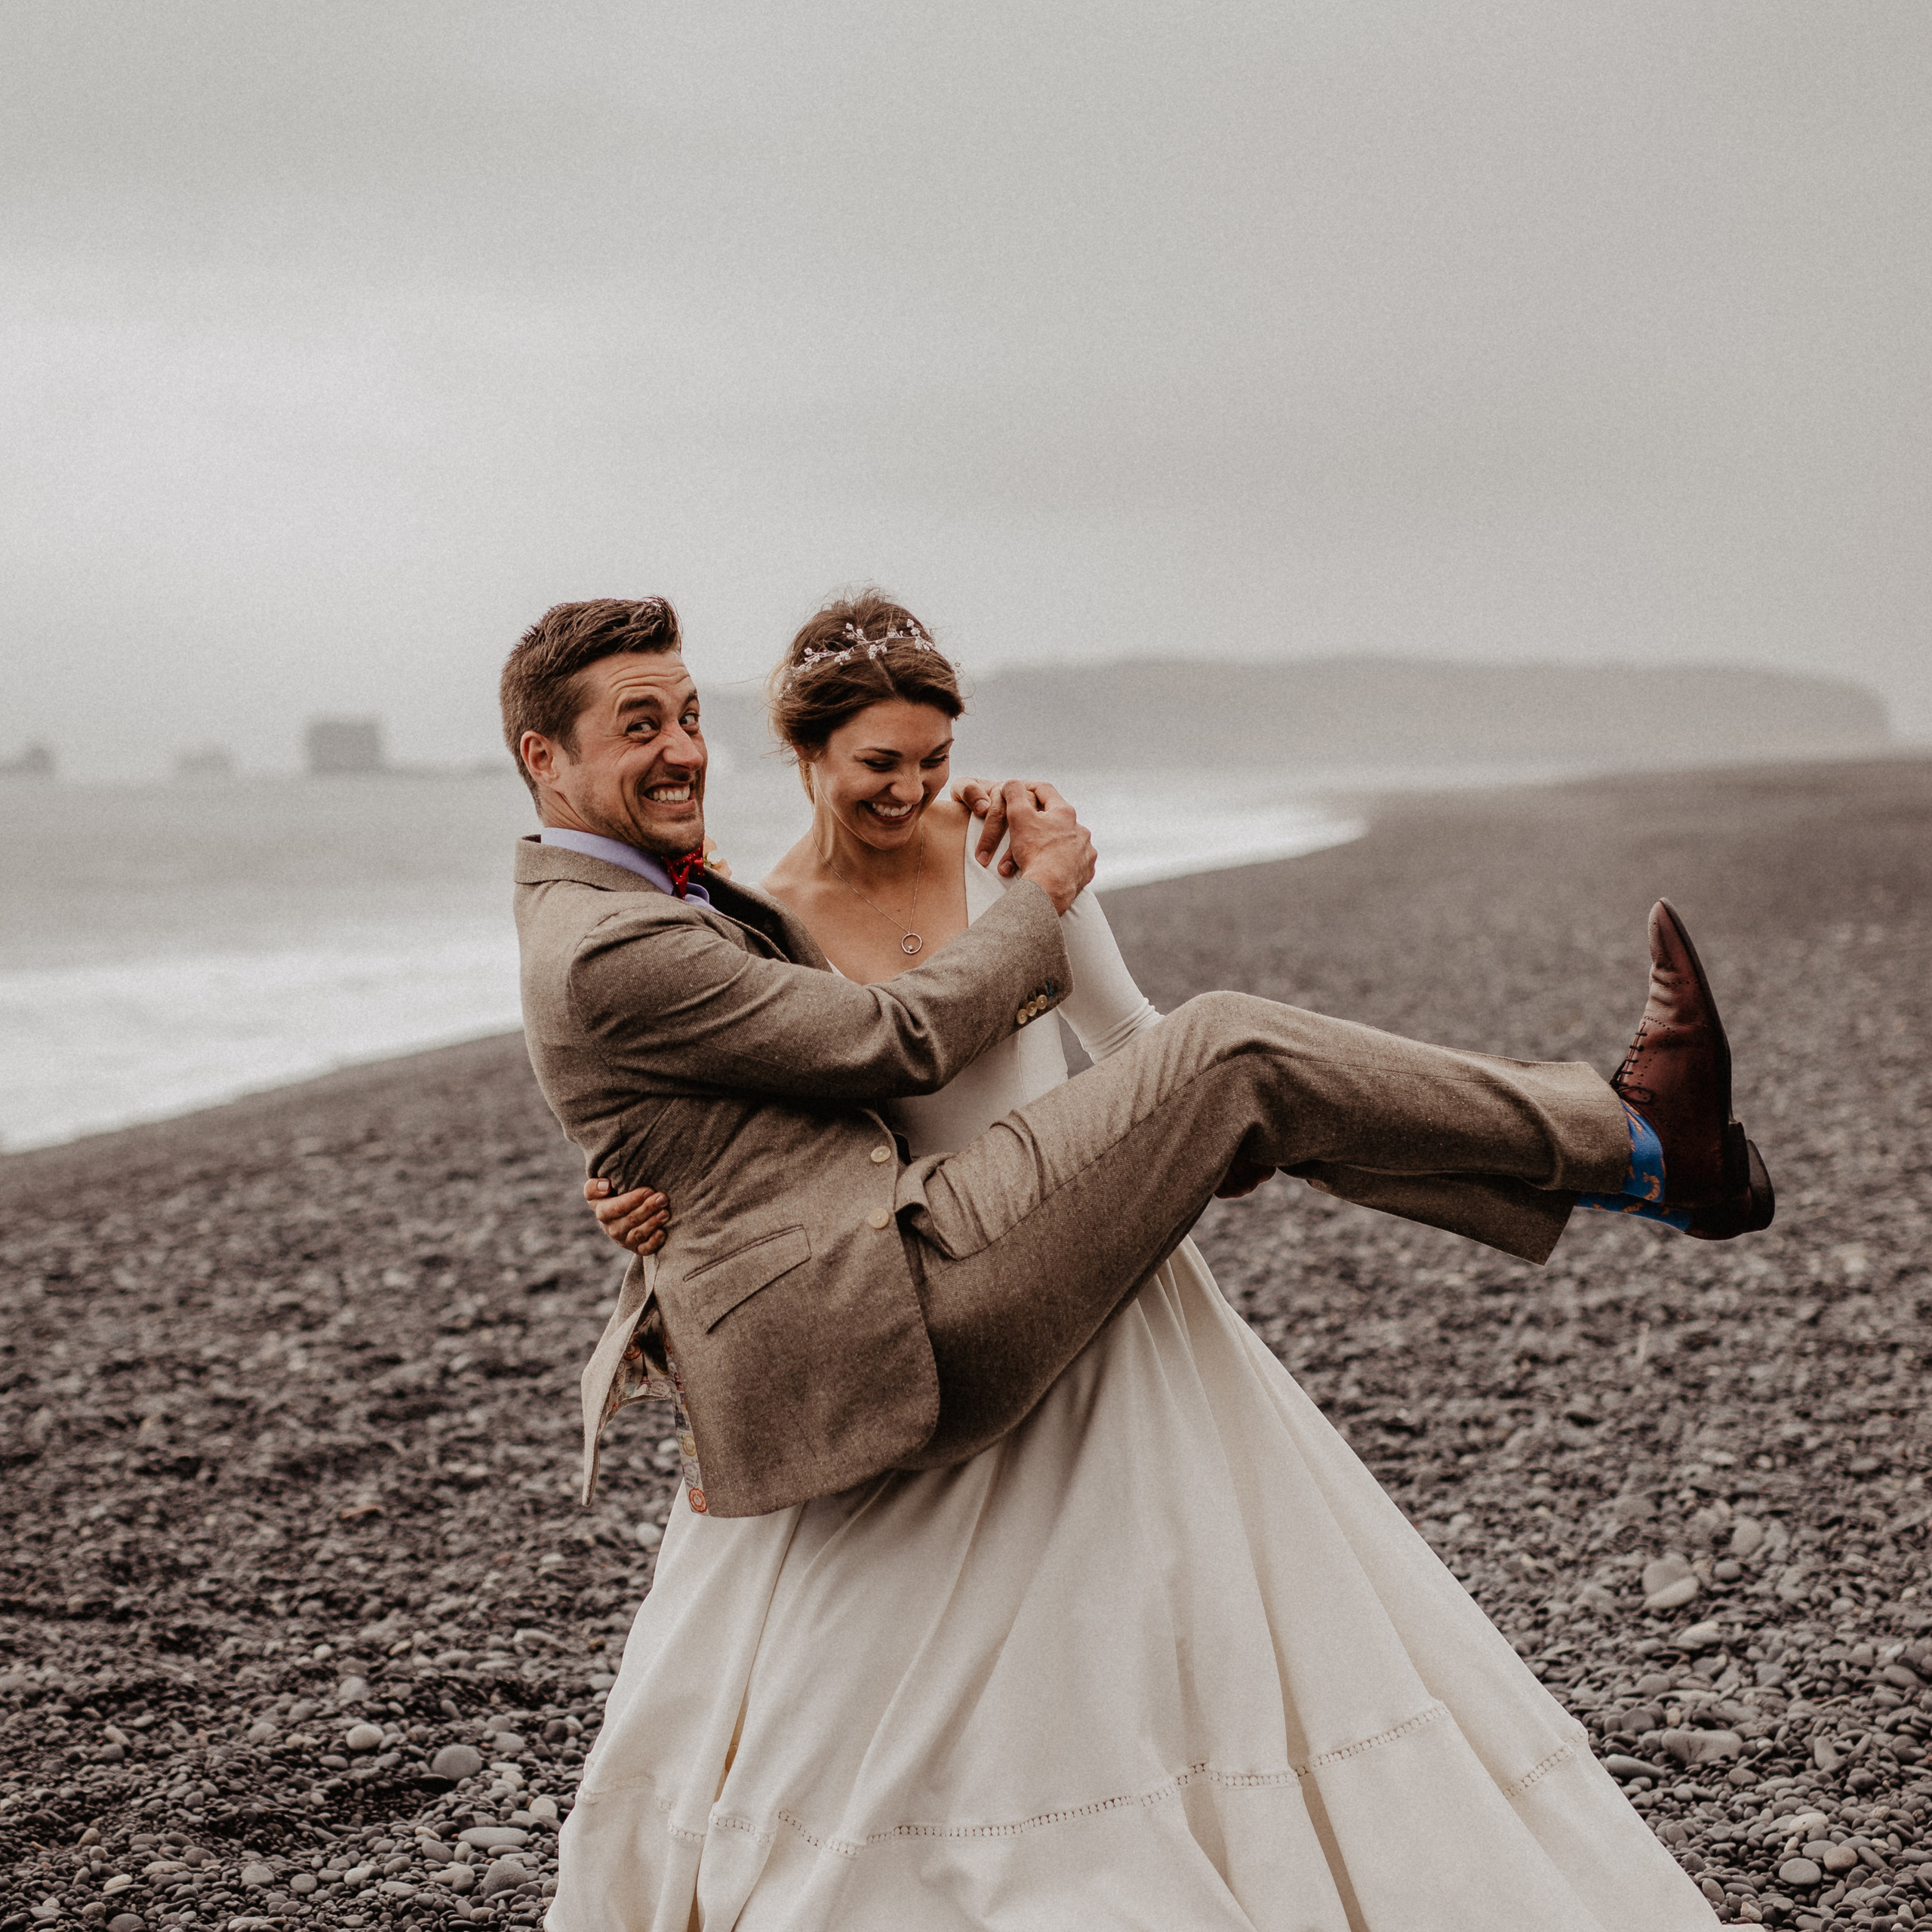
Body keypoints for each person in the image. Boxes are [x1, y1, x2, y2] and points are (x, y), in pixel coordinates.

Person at [506, 592, 1767, 1927]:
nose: (913, 789)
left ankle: (1636, 1155)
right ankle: (1637, 1148)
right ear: (806, 756)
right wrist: (645, 1209)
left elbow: (796, 1105)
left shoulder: (714, 900)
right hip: (923, 1272)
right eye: (640, 725)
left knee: (1245, 1081)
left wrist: (658, 1174)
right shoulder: (675, 928)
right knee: (1238, 1057)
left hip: (1003, 1236)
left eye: (685, 716)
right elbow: (878, 1055)